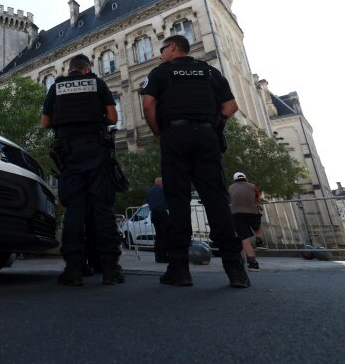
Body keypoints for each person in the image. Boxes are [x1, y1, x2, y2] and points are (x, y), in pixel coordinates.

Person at [141, 35, 250, 288]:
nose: (159, 55)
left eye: (161, 49)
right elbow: (231, 106)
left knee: (177, 200)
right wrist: (215, 126)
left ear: (172, 47)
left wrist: (159, 133)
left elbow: (147, 104)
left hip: (174, 136)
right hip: (206, 136)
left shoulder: (160, 72)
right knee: (216, 200)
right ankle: (236, 271)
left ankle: (179, 270)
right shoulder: (209, 71)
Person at [41, 53, 123, 286]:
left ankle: (74, 268)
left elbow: (45, 123)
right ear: (87, 69)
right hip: (96, 152)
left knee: (75, 210)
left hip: (70, 155)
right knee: (103, 209)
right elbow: (112, 116)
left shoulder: (56, 88)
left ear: (69, 70)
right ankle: (110, 269)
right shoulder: (97, 83)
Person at [229, 172, 263, 270]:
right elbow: (257, 196)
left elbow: (229, 199)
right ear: (245, 178)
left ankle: (253, 264)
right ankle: (259, 241)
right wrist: (257, 203)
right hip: (252, 212)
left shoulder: (230, 188)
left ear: (234, 179)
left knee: (244, 239)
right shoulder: (252, 186)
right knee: (258, 223)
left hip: (236, 214)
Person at [147, 177, 169, 263]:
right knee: (165, 235)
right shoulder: (162, 189)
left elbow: (148, 201)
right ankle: (164, 256)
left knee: (158, 235)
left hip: (154, 214)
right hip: (162, 213)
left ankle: (157, 256)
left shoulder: (150, 190)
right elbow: (167, 201)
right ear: (160, 182)